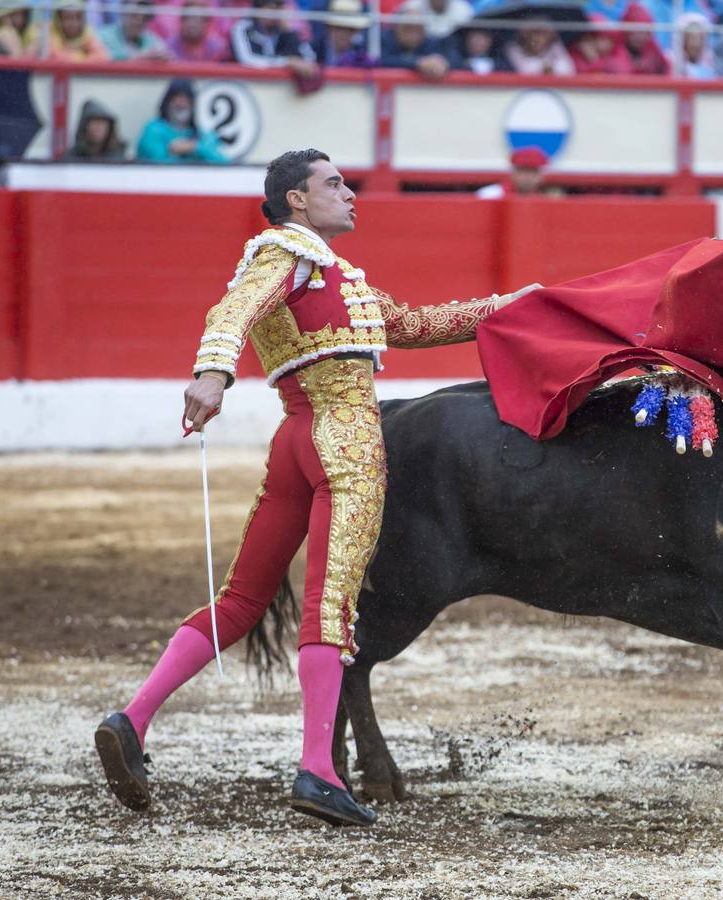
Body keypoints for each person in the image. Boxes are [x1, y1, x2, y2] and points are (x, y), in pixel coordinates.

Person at [93, 148, 539, 827]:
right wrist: (212, 372)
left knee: (242, 599)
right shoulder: (285, 256)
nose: (350, 193)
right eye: (334, 184)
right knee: (330, 609)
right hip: (346, 444)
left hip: (297, 441)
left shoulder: (332, 274)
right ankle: (319, 771)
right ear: (296, 199)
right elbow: (233, 310)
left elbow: (413, 326)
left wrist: (514, 305)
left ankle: (133, 719)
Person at [136, 79, 230, 164]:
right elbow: (156, 162)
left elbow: (223, 163)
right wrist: (172, 150)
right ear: (167, 101)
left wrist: (194, 147)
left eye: (187, 98)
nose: (181, 103)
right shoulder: (153, 130)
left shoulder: (204, 135)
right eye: (176, 97)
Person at [231, 0, 318, 76]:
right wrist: (286, 62)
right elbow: (247, 60)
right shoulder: (243, 27)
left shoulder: (285, 30)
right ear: (259, 8)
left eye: (278, 7)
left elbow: (309, 58)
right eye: (270, 7)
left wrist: (288, 32)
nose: (275, 12)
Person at [380, 0, 450, 77]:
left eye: (418, 29)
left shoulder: (430, 42)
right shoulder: (383, 40)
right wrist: (418, 63)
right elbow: (381, 60)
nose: (413, 34)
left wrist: (442, 63)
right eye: (408, 28)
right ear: (396, 28)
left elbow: (455, 59)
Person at [27, 0, 110, 61]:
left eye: (78, 17)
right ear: (58, 19)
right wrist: (80, 55)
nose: (74, 23)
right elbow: (53, 57)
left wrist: (76, 57)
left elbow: (103, 56)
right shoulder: (48, 31)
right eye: (68, 18)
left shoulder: (87, 32)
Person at [476, 145, 565, 198]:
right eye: (523, 170)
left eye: (533, 172)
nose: (528, 177)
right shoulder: (490, 195)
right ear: (513, 172)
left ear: (541, 176)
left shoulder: (544, 201)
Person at [99, 0, 173, 61]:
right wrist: (142, 58)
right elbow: (104, 61)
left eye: (146, 17)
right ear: (122, 13)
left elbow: (168, 58)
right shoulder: (104, 36)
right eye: (134, 15)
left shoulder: (152, 39)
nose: (139, 21)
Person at [504, 16, 576, 75]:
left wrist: (549, 68)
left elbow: (569, 70)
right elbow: (523, 71)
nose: (536, 38)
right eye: (533, 32)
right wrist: (544, 67)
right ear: (523, 35)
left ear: (551, 35)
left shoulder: (555, 46)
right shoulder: (513, 48)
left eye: (542, 33)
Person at [317, 0, 378, 66]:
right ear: (330, 28)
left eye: (349, 29)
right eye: (338, 27)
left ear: (355, 31)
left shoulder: (361, 58)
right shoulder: (317, 48)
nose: (343, 33)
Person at [63, 99, 127, 160]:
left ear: (110, 128)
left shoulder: (120, 158)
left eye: (103, 124)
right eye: (96, 123)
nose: (99, 128)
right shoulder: (71, 157)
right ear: (85, 127)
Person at [616, 3, 670, 73]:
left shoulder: (653, 51)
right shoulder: (614, 51)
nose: (641, 37)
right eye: (637, 31)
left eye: (646, 32)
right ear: (626, 30)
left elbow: (667, 71)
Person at [675, 11, 716, 78]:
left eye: (700, 38)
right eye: (691, 38)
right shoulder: (670, 63)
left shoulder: (713, 63)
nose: (696, 44)